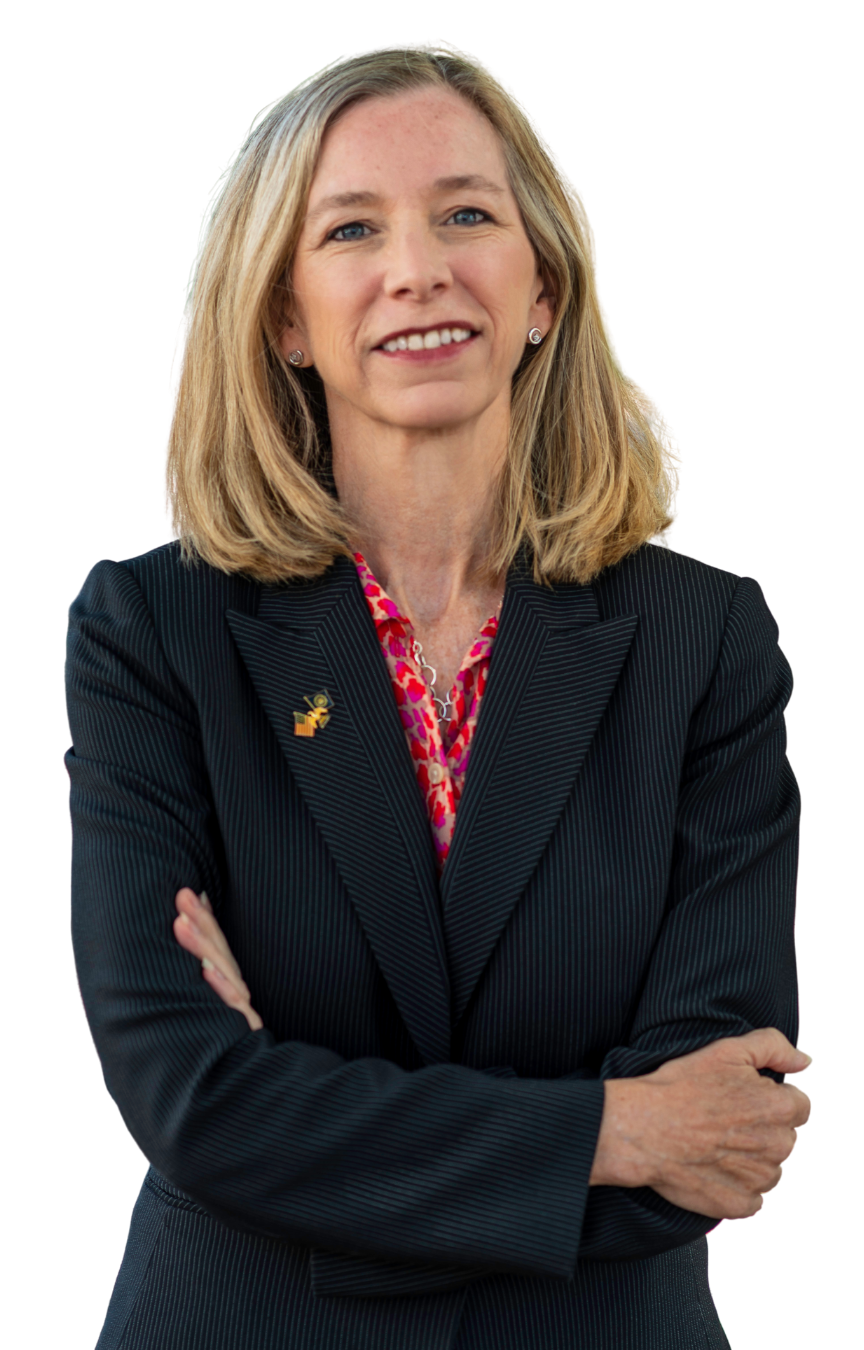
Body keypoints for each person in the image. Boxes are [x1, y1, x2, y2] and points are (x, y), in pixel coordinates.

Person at [66, 40, 812, 1350]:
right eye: (352, 228)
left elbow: (730, 1132)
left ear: (543, 287)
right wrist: (615, 1126)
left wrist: (294, 1136)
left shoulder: (707, 644)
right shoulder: (151, 634)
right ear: (285, 317)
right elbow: (185, 1100)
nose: (419, 268)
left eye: (467, 214)